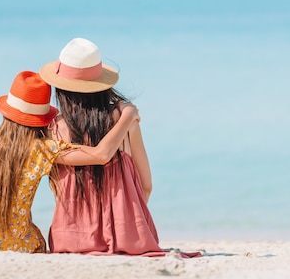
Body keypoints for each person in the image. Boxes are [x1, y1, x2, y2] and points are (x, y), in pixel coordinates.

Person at [0, 70, 140, 255]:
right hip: (19, 245)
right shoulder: (42, 150)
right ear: (41, 119)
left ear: (6, 112)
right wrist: (127, 116)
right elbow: (101, 155)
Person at [40, 38, 199, 257]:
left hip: (68, 239)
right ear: (101, 84)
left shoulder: (53, 129)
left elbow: (58, 190)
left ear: (61, 89)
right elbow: (146, 185)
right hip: (129, 238)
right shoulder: (123, 119)